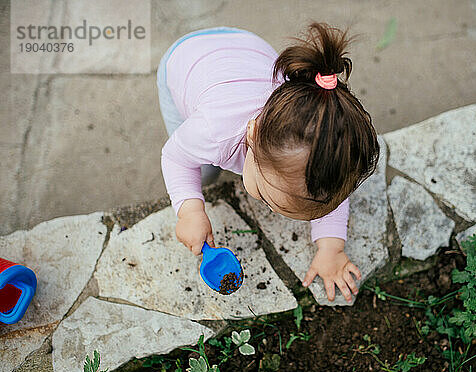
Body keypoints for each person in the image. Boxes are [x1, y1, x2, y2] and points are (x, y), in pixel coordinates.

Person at [157, 21, 379, 303]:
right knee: (202, 174)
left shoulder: (311, 130)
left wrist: (331, 248)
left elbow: (329, 193)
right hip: (183, 61)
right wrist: (189, 209)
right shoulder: (213, 131)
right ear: (251, 134)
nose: (271, 208)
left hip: (248, 46)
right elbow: (175, 155)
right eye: (264, 194)